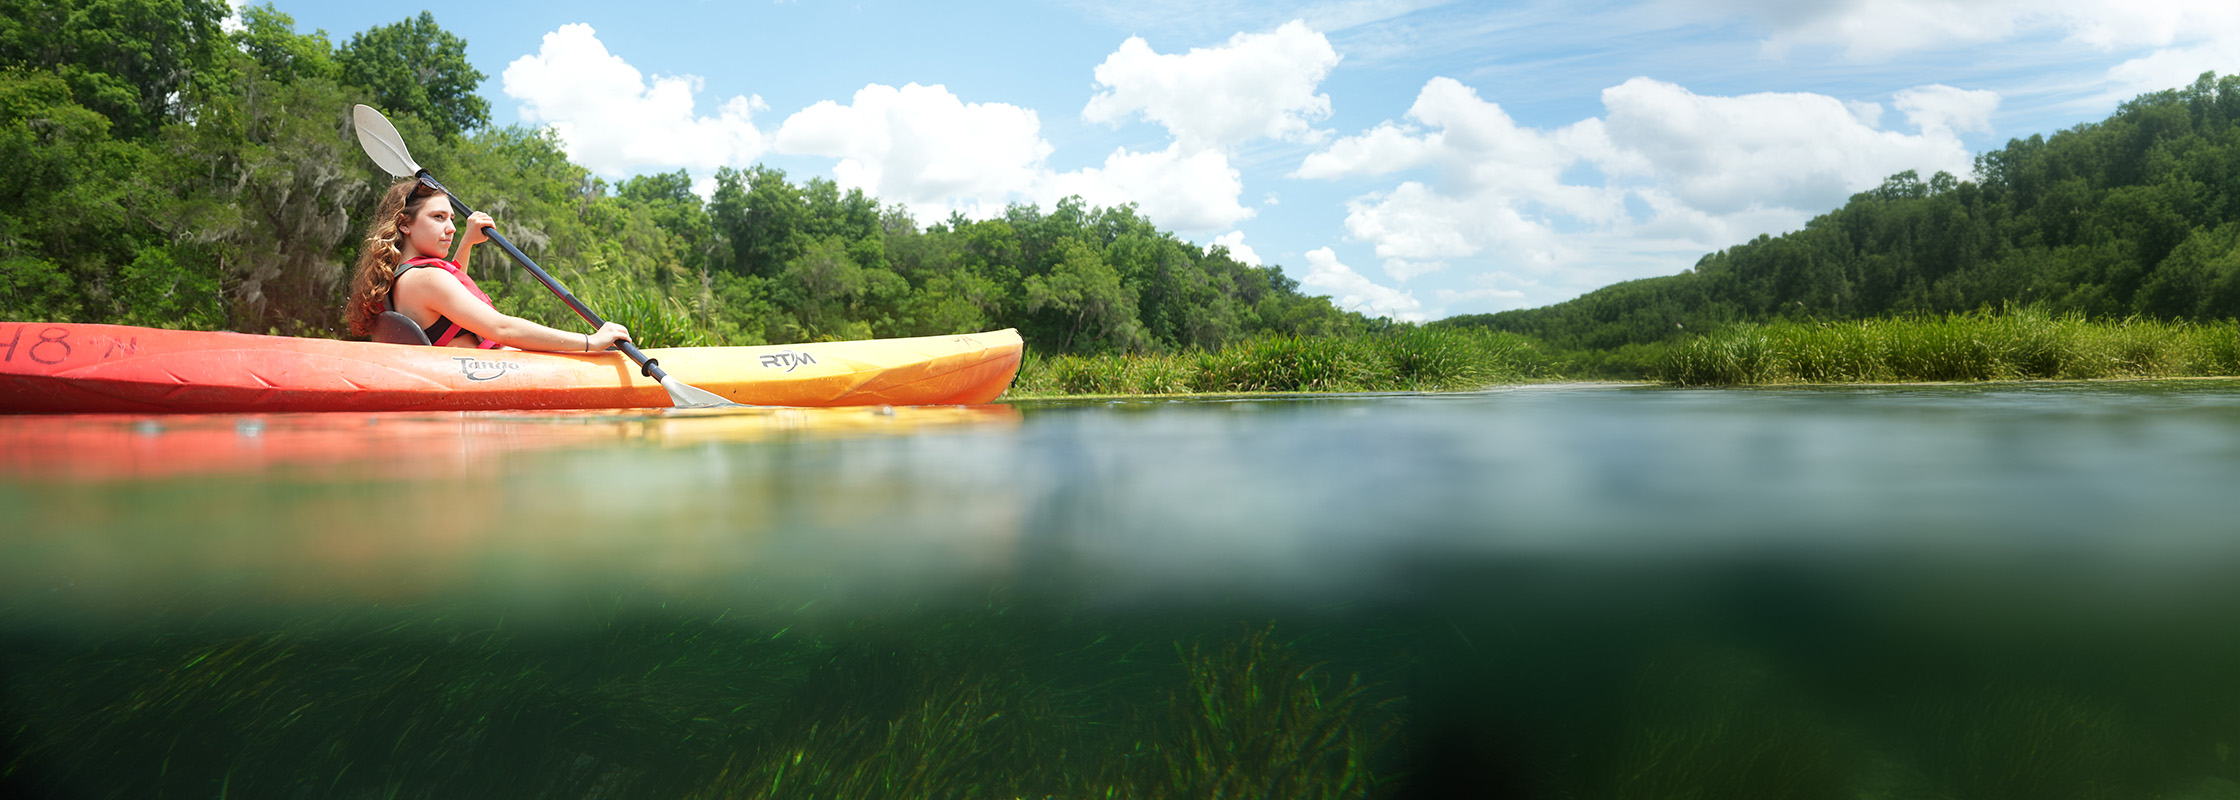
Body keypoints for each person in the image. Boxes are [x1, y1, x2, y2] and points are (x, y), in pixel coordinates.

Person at [345, 177, 629, 352]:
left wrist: (466, 244)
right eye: (438, 217)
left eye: (451, 220)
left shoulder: (404, 278)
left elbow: (449, 313)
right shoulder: (426, 278)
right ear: (405, 224)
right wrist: (590, 342)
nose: (450, 227)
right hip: (489, 374)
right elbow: (501, 329)